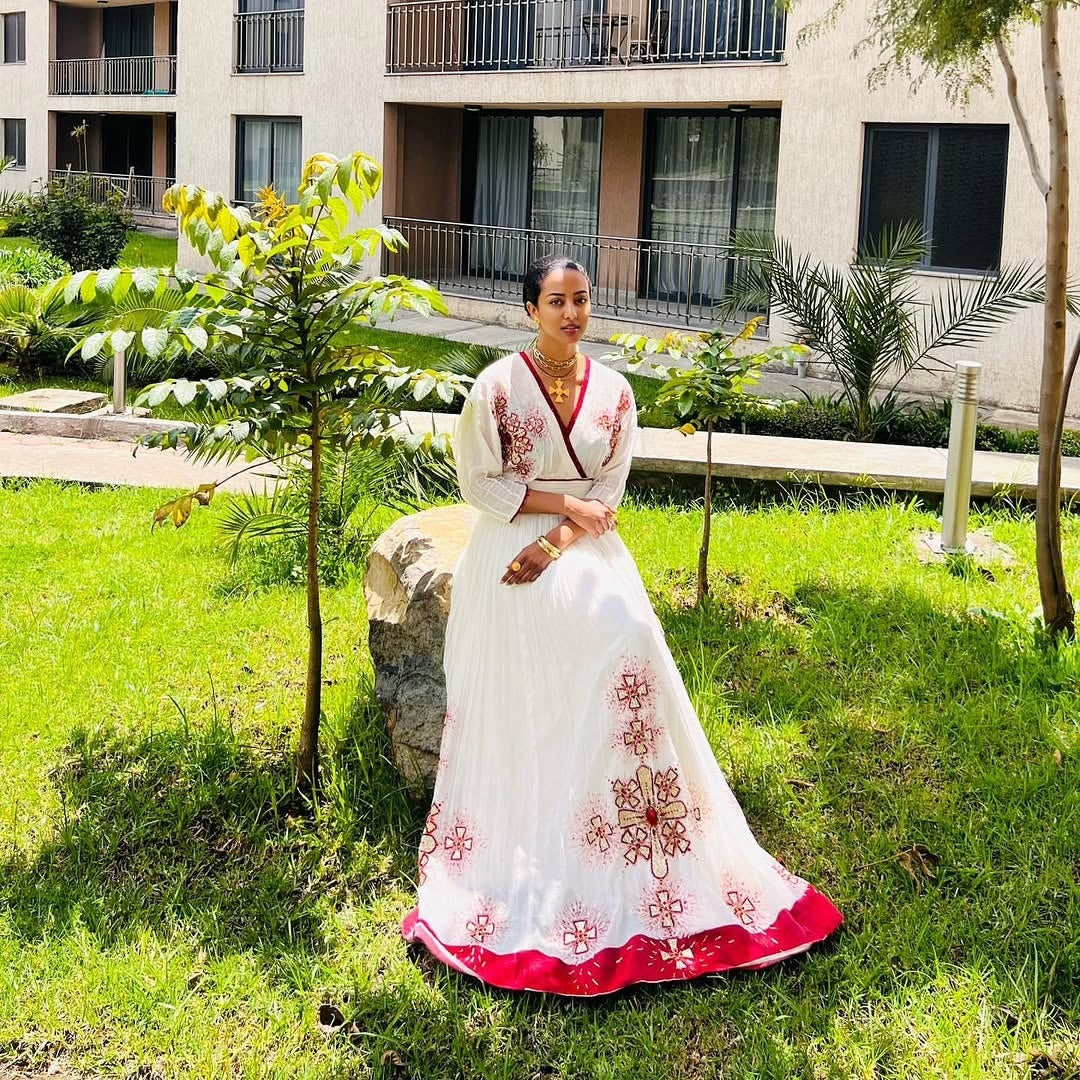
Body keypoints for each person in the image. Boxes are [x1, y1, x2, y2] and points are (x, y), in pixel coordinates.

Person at [401, 255, 842, 996]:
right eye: (554, 301)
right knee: (537, 695)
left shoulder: (615, 391)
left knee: (629, 641)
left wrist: (563, 537)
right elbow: (478, 482)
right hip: (508, 548)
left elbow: (608, 490)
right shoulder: (497, 386)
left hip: (580, 551)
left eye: (580, 300)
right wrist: (556, 513)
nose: (570, 314)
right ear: (528, 310)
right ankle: (537, 847)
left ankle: (630, 844)